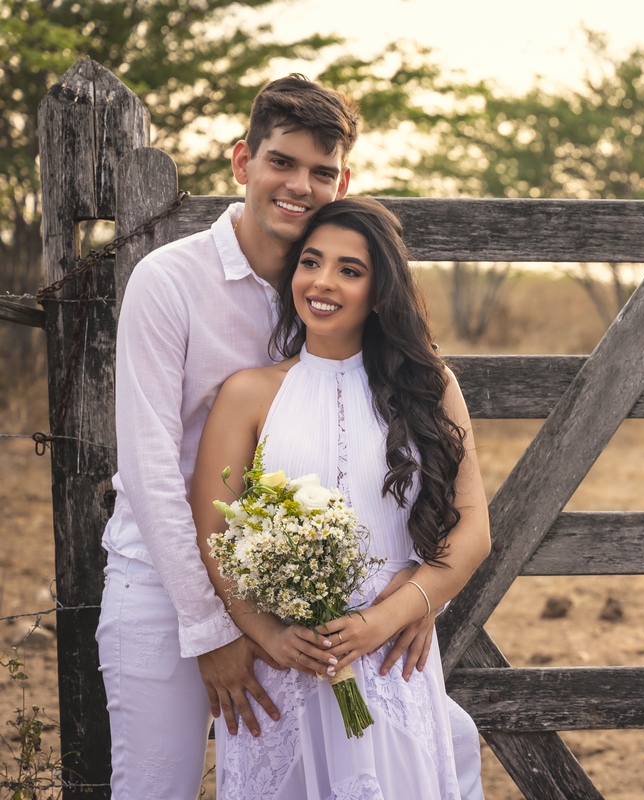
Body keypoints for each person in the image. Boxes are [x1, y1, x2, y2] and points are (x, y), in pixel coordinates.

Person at [98, 75, 485, 799]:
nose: (299, 184)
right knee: (156, 785)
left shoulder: (327, 301)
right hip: (163, 577)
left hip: (304, 598)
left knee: (441, 748)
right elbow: (152, 474)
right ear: (244, 162)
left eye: (320, 171)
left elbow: (382, 466)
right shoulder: (169, 282)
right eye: (282, 162)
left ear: (343, 181)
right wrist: (214, 629)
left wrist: (411, 600)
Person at [189, 197, 490, 799]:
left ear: (380, 292)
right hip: (284, 662)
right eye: (310, 262)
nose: (323, 283)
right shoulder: (248, 394)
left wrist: (394, 613)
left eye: (350, 270)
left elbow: (474, 527)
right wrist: (268, 634)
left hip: (389, 656)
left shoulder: (430, 384)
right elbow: (213, 536)